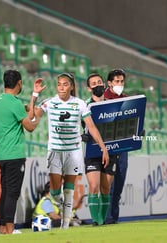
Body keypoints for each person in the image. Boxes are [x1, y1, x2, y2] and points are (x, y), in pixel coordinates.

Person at [34, 72, 109, 229]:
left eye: (65, 84)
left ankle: (66, 223)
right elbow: (34, 115)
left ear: (72, 86)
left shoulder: (80, 104)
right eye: (59, 84)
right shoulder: (49, 103)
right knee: (54, 191)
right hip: (55, 151)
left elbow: (92, 127)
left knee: (69, 188)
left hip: (73, 151)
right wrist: (35, 95)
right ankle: (59, 204)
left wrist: (103, 148)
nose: (61, 87)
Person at [0, 69, 46, 234]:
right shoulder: (14, 103)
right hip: (15, 154)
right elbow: (30, 126)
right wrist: (38, 116)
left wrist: (34, 95)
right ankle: (10, 228)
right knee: (13, 193)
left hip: (2, 154)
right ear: (19, 83)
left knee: (5, 192)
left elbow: (23, 112)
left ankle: (2, 228)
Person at [83, 73, 119, 226]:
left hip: (111, 150)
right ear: (88, 88)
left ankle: (102, 220)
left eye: (99, 82)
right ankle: (95, 221)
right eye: (94, 83)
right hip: (92, 151)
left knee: (105, 187)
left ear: (104, 84)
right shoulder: (84, 106)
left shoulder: (112, 104)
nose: (98, 85)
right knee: (93, 185)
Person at [104, 68, 128, 224]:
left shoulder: (127, 100)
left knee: (119, 185)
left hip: (123, 147)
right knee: (108, 187)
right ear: (109, 83)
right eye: (117, 81)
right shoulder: (103, 99)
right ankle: (106, 219)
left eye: (121, 81)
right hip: (107, 147)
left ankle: (114, 218)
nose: (120, 84)